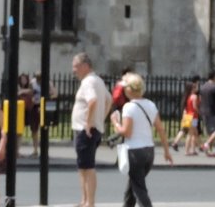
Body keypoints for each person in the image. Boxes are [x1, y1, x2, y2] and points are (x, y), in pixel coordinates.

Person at [118, 73, 172, 207]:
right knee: (133, 187)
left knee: (139, 190)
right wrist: (166, 151)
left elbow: (126, 132)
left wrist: (115, 123)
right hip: (149, 151)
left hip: (134, 152)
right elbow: (160, 129)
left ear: (129, 90)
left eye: (125, 88)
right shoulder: (150, 104)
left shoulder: (128, 107)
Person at [71, 51, 109, 207]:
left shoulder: (88, 82)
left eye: (76, 66)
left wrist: (88, 122)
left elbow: (92, 101)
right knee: (83, 166)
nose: (73, 70)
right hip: (92, 129)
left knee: (87, 166)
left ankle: (89, 202)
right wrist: (100, 118)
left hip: (85, 130)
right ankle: (85, 200)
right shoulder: (97, 80)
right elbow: (109, 100)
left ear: (85, 66)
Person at [198, 71, 215, 157]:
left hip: (204, 112)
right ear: (214, 77)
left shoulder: (202, 87)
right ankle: (206, 144)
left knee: (211, 133)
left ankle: (209, 151)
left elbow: (200, 99)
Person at [169, 79, 199, 153]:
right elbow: (195, 107)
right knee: (191, 133)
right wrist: (199, 112)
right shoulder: (194, 96)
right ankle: (188, 150)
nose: (196, 88)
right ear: (192, 88)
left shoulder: (187, 97)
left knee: (192, 132)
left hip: (188, 116)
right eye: (195, 87)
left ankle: (194, 149)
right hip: (193, 116)